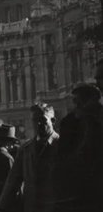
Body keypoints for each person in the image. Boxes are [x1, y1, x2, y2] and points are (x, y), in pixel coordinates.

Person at [0, 103, 59, 212]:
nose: (38, 124)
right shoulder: (25, 149)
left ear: (53, 121)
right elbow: (12, 182)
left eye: (43, 120)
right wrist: (2, 207)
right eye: (34, 120)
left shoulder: (62, 145)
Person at [52, 84, 103, 212]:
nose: (76, 106)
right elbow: (63, 157)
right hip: (77, 191)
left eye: (79, 101)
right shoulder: (70, 123)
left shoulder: (97, 122)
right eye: (75, 102)